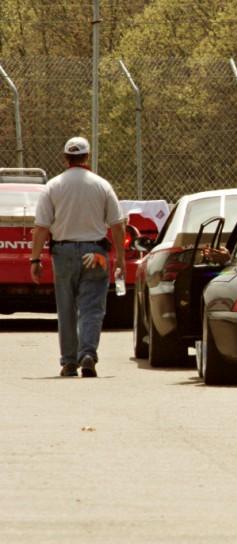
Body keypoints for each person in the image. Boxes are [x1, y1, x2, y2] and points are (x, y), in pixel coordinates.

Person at [30, 137, 125, 377]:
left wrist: (35, 259)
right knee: (92, 307)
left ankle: (69, 361)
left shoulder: (53, 186)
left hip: (63, 252)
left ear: (65, 158)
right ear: (87, 157)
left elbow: (41, 226)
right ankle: (88, 354)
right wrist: (121, 259)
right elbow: (117, 224)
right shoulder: (102, 185)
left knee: (66, 307)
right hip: (95, 253)